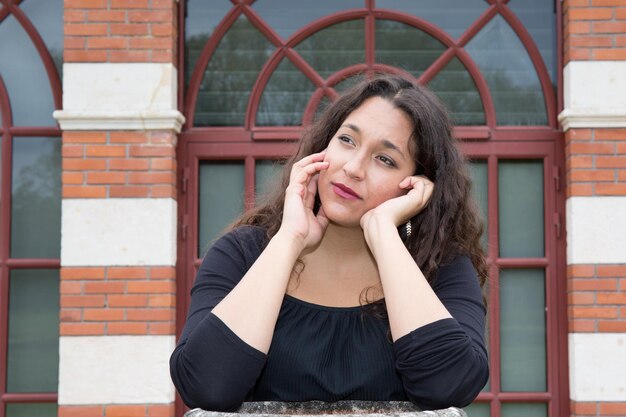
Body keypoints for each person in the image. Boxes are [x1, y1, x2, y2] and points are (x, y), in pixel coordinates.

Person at [170, 75, 489, 412]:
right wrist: (290, 239)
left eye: (386, 160)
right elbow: (205, 386)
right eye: (347, 140)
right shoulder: (243, 253)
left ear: (415, 186)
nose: (352, 168)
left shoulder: (442, 268)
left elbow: (449, 387)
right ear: (324, 144)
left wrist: (384, 234)